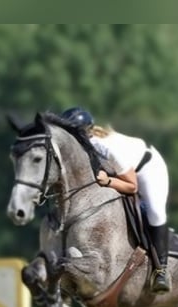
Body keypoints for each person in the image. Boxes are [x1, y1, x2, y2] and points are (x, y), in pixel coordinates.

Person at [61, 106, 171, 294]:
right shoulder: (79, 149)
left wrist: (108, 181)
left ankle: (160, 270)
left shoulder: (103, 147)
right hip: (119, 171)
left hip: (147, 169)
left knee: (154, 211)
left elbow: (132, 186)